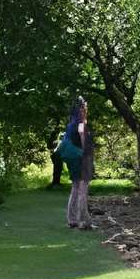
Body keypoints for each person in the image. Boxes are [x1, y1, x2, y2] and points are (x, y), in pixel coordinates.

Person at [59, 95, 97, 230]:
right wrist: (85, 150)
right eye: (84, 107)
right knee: (82, 190)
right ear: (81, 109)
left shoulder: (70, 125)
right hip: (81, 159)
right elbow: (82, 135)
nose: (85, 110)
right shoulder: (81, 123)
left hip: (73, 160)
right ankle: (83, 221)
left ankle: (72, 219)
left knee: (75, 188)